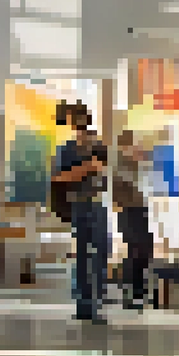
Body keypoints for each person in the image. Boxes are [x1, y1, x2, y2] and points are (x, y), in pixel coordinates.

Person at [52, 102, 110, 323]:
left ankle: (97, 301)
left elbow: (102, 170)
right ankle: (84, 304)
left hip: (97, 203)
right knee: (84, 256)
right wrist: (85, 169)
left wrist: (86, 169)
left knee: (101, 252)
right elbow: (58, 177)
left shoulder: (99, 145)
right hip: (79, 204)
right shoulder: (66, 149)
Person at [112, 130, 154, 310]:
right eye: (133, 144)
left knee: (142, 249)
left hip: (138, 209)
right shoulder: (120, 164)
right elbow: (123, 187)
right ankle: (133, 291)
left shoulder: (135, 165)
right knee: (136, 249)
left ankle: (138, 290)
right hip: (129, 211)